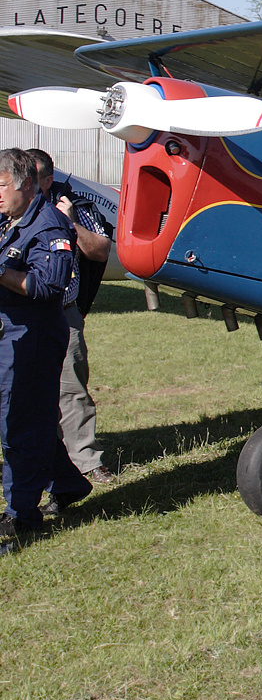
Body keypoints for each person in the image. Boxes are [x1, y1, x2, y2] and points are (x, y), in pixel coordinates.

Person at [0, 148, 92, 544]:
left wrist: (1, 272)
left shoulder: (49, 225)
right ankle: (68, 483)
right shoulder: (9, 220)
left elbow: (46, 285)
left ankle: (21, 515)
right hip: (9, 332)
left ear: (24, 183)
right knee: (25, 417)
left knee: (19, 423)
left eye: (1, 185)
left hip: (33, 334)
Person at [27, 151, 115, 485]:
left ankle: (85, 460)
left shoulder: (74, 206)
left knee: (71, 388)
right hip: (15, 312)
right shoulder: (9, 210)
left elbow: (101, 250)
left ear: (47, 181)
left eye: (29, 178)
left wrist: (69, 223)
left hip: (61, 313)